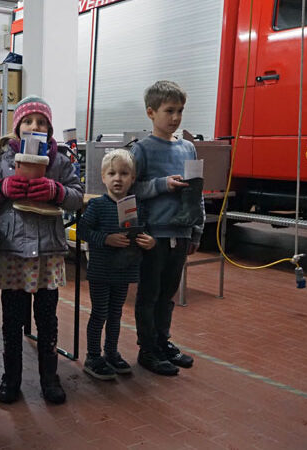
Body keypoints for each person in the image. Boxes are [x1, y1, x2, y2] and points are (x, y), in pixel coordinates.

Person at [0, 95, 84, 404]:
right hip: (14, 249)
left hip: (49, 250)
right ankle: (10, 378)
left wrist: (57, 191)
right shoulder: (0, 159)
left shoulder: (61, 161)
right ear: (17, 127)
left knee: (47, 317)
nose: (34, 126)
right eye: (27, 121)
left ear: (49, 129)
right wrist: (2, 188)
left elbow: (77, 196)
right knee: (12, 319)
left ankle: (50, 378)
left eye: (41, 122)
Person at [130, 80, 205, 376]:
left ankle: (163, 342)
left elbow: (195, 191)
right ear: (151, 112)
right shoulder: (142, 149)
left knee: (167, 294)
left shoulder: (188, 147)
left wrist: (196, 230)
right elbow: (128, 188)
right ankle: (147, 349)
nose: (175, 117)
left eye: (180, 111)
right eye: (169, 111)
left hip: (181, 233)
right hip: (153, 235)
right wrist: (162, 185)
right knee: (149, 294)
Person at [77, 149, 156, 380]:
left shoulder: (138, 206)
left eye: (124, 173)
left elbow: (145, 230)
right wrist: (106, 239)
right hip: (101, 271)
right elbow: (83, 230)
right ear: (103, 177)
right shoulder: (97, 206)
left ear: (133, 178)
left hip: (125, 270)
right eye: (112, 173)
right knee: (99, 313)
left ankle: (111, 353)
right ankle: (93, 356)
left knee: (115, 314)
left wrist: (149, 241)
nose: (118, 178)